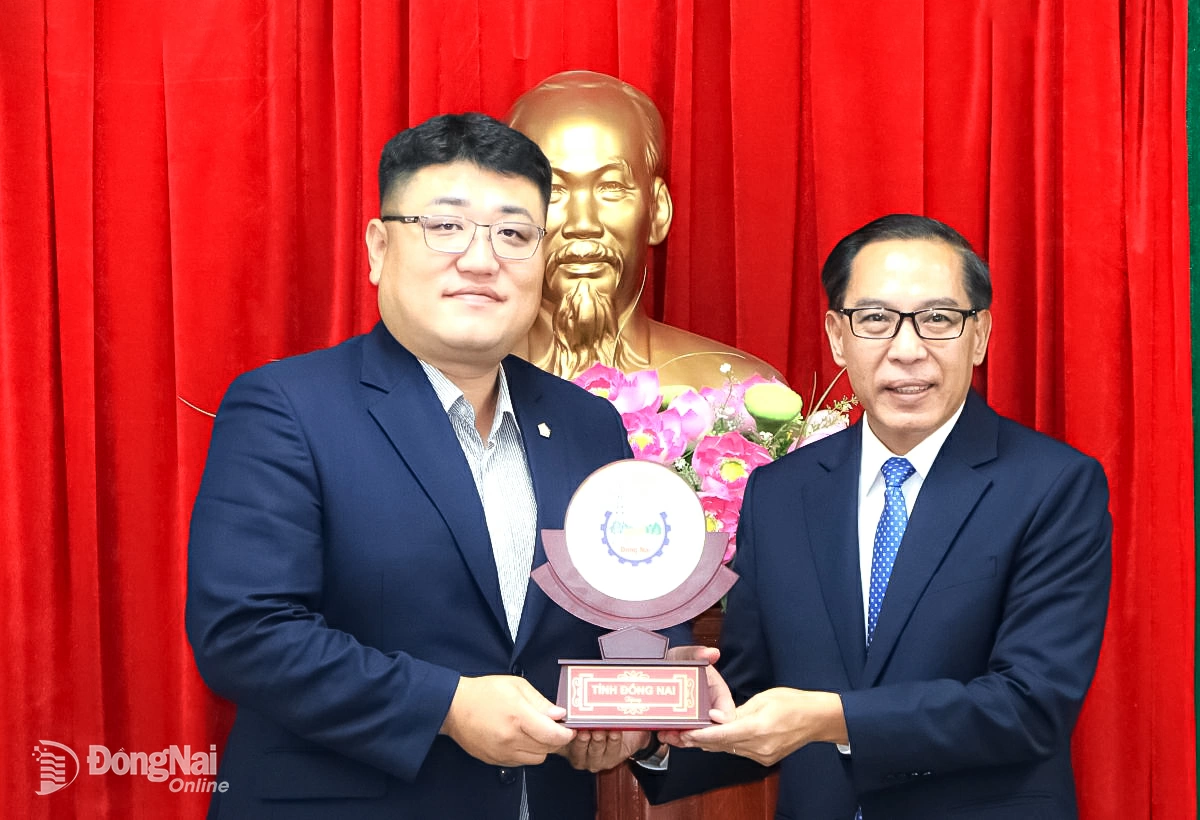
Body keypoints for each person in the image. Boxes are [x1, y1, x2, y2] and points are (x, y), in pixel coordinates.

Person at [186, 112, 673, 820]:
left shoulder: (586, 423)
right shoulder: (286, 407)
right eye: (445, 227)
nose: (481, 260)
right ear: (380, 247)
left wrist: (640, 706)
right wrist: (446, 706)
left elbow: (634, 603)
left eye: (514, 233)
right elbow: (245, 634)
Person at [642, 214, 1113, 818]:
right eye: (875, 320)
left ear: (982, 334)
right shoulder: (780, 493)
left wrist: (830, 719)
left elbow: (1030, 705)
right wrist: (669, 721)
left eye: (939, 319)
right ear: (838, 336)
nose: (907, 350)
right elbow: (755, 695)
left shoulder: (1052, 486)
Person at [506, 71, 783, 390]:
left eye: (611, 187)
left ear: (658, 211)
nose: (583, 224)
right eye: (553, 190)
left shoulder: (740, 393)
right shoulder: (457, 391)